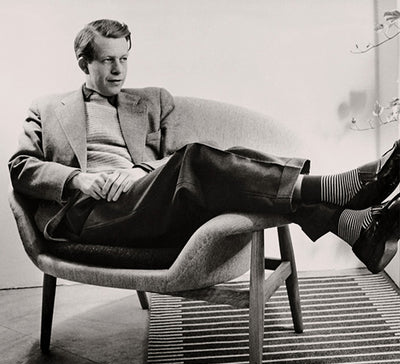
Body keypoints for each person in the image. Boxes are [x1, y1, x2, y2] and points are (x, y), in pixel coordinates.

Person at [8, 19, 400, 274]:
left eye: (124, 58)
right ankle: (343, 193)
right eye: (108, 60)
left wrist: (139, 171)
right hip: (90, 213)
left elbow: (177, 159)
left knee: (242, 158)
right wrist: (78, 180)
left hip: (148, 199)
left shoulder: (149, 101)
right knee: (198, 158)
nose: (119, 70)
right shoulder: (48, 109)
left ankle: (357, 227)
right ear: (84, 64)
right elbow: (20, 166)